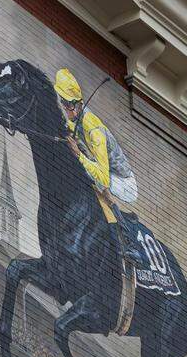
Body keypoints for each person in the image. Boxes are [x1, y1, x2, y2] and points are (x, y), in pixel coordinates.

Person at [54, 68, 143, 265]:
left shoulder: (94, 130)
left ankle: (128, 243)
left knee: (96, 185)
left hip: (123, 181)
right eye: (62, 102)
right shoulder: (76, 118)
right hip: (103, 168)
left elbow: (103, 177)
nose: (65, 108)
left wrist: (78, 154)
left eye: (67, 104)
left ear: (77, 104)